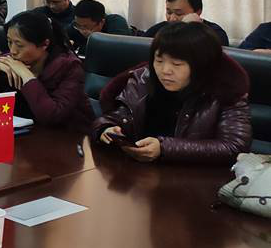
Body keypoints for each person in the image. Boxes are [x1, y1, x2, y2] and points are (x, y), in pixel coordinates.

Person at [93, 22, 251, 164]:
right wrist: (106, 128)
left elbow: (234, 146)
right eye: (159, 61)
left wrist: (165, 148)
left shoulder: (226, 91)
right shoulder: (143, 79)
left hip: (196, 179)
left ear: (201, 65)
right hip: (140, 174)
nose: (165, 71)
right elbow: (116, 117)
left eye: (177, 64)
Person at [0, 10, 92, 129]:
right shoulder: (7, 61)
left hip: (68, 135)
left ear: (44, 44)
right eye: (9, 42)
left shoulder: (69, 66)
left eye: (19, 45)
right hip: (26, 132)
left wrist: (27, 76)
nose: (13, 51)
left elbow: (53, 116)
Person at [143, 0, 229, 46]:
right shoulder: (160, 28)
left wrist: (192, 29)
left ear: (197, 12)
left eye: (179, 13)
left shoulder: (215, 32)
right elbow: (142, 44)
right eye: (169, 12)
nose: (172, 19)